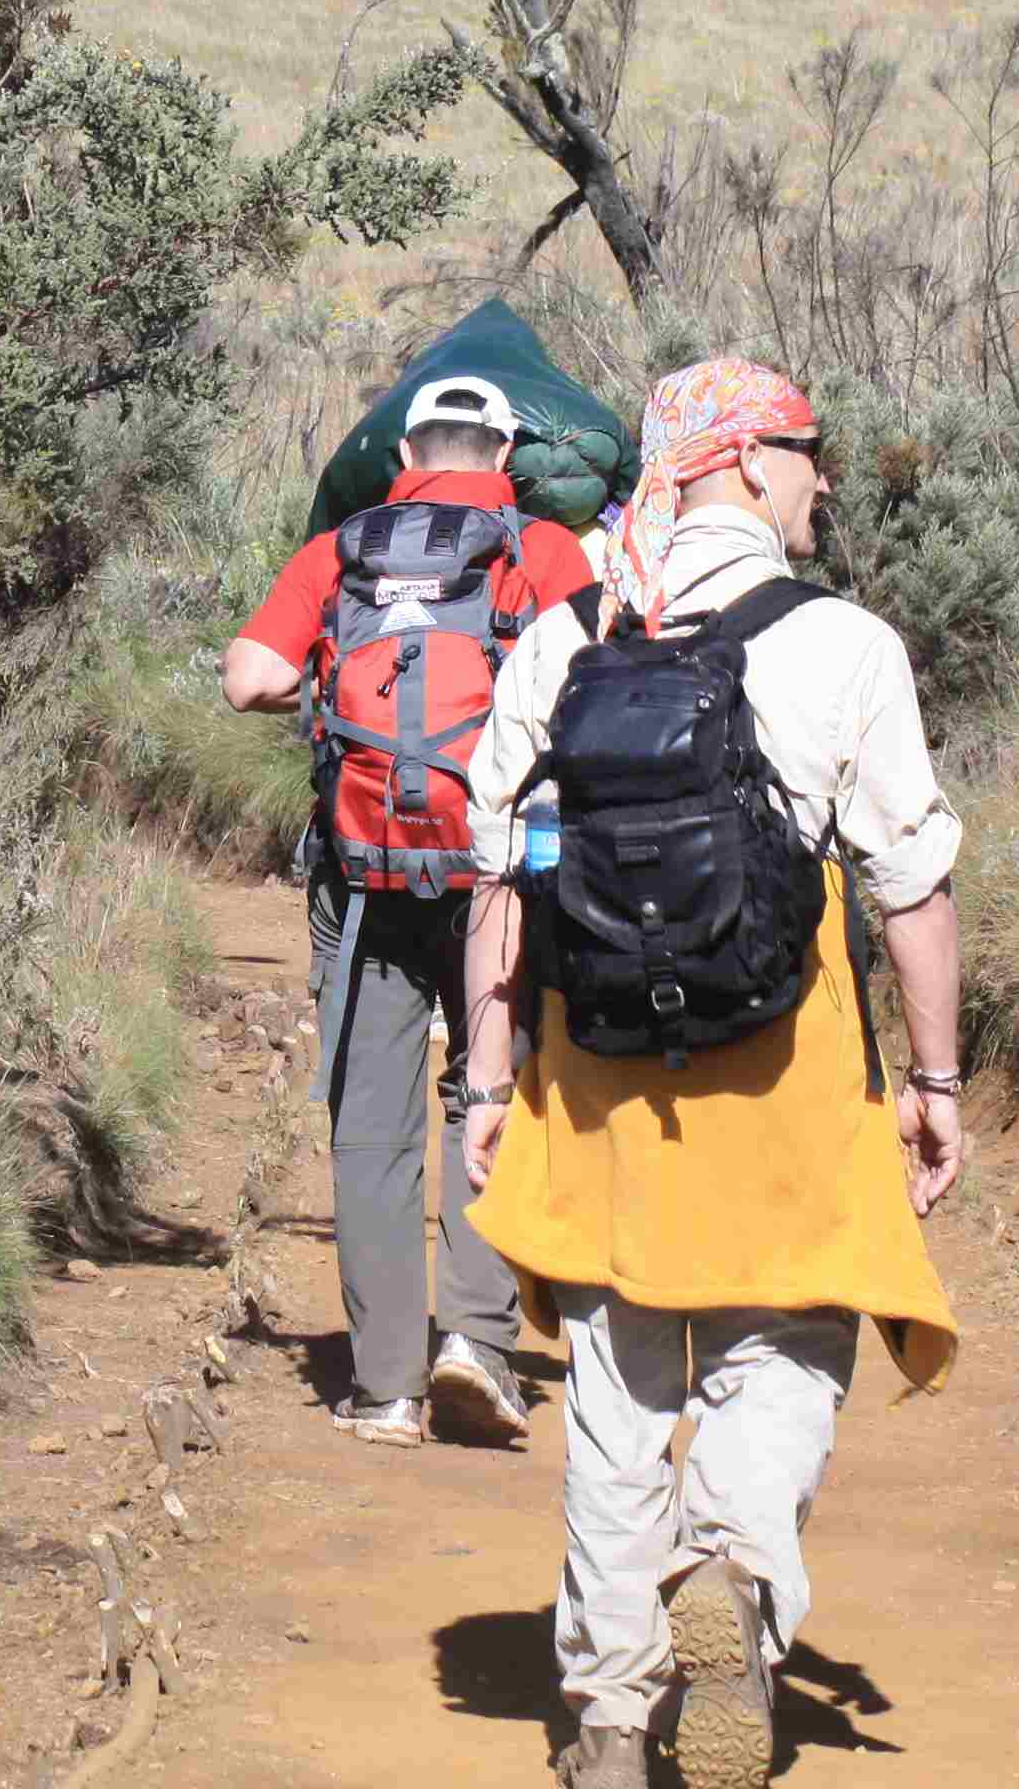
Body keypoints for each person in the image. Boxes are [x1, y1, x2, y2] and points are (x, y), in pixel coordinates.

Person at [455, 356, 966, 1789]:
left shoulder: (566, 639)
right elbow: (910, 885)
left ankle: (611, 1716)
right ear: (741, 461)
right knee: (787, 1348)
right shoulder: (844, 644)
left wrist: (486, 1088)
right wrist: (938, 1084)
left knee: (617, 1395)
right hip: (787, 1074)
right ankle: (734, 1561)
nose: (822, 475)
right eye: (807, 447)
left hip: (598, 1079)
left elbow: (497, 881)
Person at [221, 374, 602, 1446]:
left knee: (371, 1123)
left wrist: (325, 688)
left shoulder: (339, 552)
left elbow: (246, 677)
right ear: (507, 454)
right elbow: (599, 684)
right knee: (489, 1093)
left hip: (365, 870)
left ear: (404, 453)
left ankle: (385, 1384)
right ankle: (476, 1341)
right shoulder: (545, 552)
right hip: (503, 881)